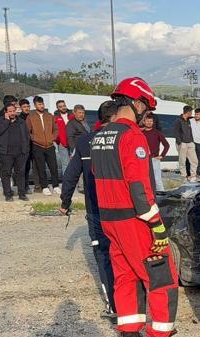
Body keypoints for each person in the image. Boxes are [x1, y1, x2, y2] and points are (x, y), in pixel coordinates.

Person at [91, 77, 190, 337]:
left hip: (109, 220)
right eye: (145, 110)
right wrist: (157, 226)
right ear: (135, 103)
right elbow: (139, 188)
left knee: (126, 279)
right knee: (161, 278)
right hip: (134, 219)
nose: (146, 116)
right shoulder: (131, 136)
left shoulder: (101, 135)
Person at [60, 100, 119, 320]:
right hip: (122, 210)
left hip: (95, 209)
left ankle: (114, 306)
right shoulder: (123, 138)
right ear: (114, 117)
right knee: (123, 252)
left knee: (103, 255)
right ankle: (133, 303)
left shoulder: (85, 142)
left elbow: (70, 175)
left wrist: (65, 203)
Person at [0, 102, 30, 201]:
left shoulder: (21, 121)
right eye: (10, 111)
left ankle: (22, 193)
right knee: (6, 173)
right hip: (5, 152)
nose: (12, 113)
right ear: (5, 112)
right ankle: (8, 194)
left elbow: (26, 136)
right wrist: (6, 120)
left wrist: (26, 150)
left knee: (20, 173)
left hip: (20, 152)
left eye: (14, 111)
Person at [26, 96, 61, 196]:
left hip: (50, 145)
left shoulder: (49, 116)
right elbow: (27, 131)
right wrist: (35, 139)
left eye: (42, 104)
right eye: (39, 104)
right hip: (37, 146)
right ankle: (44, 186)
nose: (41, 106)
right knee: (41, 168)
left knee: (53, 167)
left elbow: (56, 129)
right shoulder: (31, 117)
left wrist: (52, 138)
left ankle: (56, 186)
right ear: (35, 105)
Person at [141, 113, 170, 191]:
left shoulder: (157, 133)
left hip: (154, 160)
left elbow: (166, 145)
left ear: (153, 122)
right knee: (144, 180)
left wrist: (162, 155)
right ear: (144, 122)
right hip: (143, 160)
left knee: (157, 181)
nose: (149, 122)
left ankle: (162, 196)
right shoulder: (141, 133)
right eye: (147, 121)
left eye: (151, 121)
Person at [172, 105, 198, 182]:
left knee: (194, 160)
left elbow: (190, 132)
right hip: (182, 143)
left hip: (190, 143)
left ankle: (193, 176)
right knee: (182, 161)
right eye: (191, 112)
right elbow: (175, 132)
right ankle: (183, 177)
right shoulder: (178, 120)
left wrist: (192, 141)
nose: (192, 114)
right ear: (188, 112)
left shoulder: (188, 120)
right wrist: (179, 142)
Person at [18, 99, 38, 192]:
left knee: (36, 166)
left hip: (34, 145)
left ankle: (38, 185)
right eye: (24, 107)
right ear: (21, 108)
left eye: (27, 106)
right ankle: (24, 186)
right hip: (24, 146)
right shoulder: (19, 118)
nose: (26, 108)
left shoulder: (33, 116)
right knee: (25, 167)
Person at [53, 100, 73, 175]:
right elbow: (54, 130)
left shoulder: (72, 116)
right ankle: (66, 182)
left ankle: (75, 183)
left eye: (64, 106)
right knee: (65, 164)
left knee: (74, 163)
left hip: (72, 143)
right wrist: (57, 140)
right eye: (60, 106)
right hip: (62, 143)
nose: (63, 108)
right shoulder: (55, 117)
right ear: (57, 108)